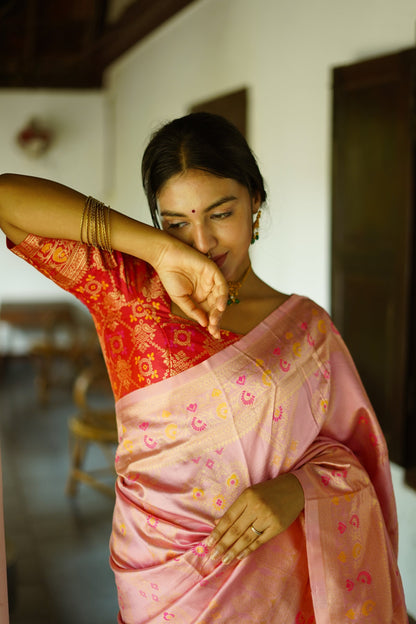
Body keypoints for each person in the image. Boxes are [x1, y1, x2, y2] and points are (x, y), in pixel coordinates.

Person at [0, 112, 409, 623]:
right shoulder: (130, 292)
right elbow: (7, 200)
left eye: (220, 213)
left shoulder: (307, 327)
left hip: (280, 589)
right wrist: (156, 252)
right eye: (176, 223)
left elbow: (356, 459)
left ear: (255, 202)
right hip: (166, 582)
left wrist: (297, 489)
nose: (203, 243)